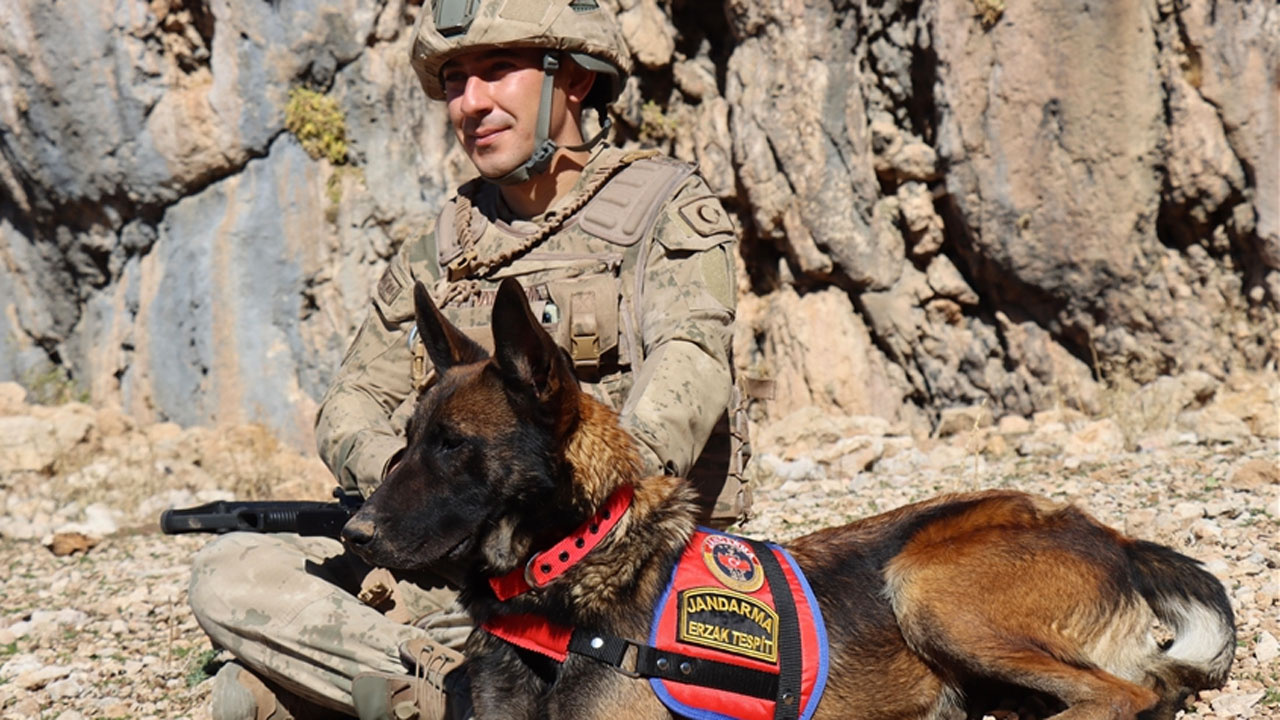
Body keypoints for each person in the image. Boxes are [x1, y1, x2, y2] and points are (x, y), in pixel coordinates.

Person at [187, 1, 747, 718]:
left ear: (572, 79)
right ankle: (442, 682)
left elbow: (691, 358)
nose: (469, 103)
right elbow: (352, 400)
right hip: (460, 560)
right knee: (231, 572)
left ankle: (384, 686)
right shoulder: (443, 242)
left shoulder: (663, 206)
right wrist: (413, 487)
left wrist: (607, 495)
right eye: (454, 79)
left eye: (496, 70)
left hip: (617, 576)